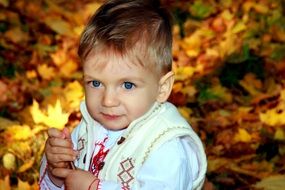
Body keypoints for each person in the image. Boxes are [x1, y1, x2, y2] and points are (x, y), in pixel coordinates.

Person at [39, 0, 207, 189]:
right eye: (96, 83)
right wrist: (58, 172)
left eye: (127, 85)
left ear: (162, 88)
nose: (108, 100)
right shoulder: (88, 129)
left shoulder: (165, 146)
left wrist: (95, 187)